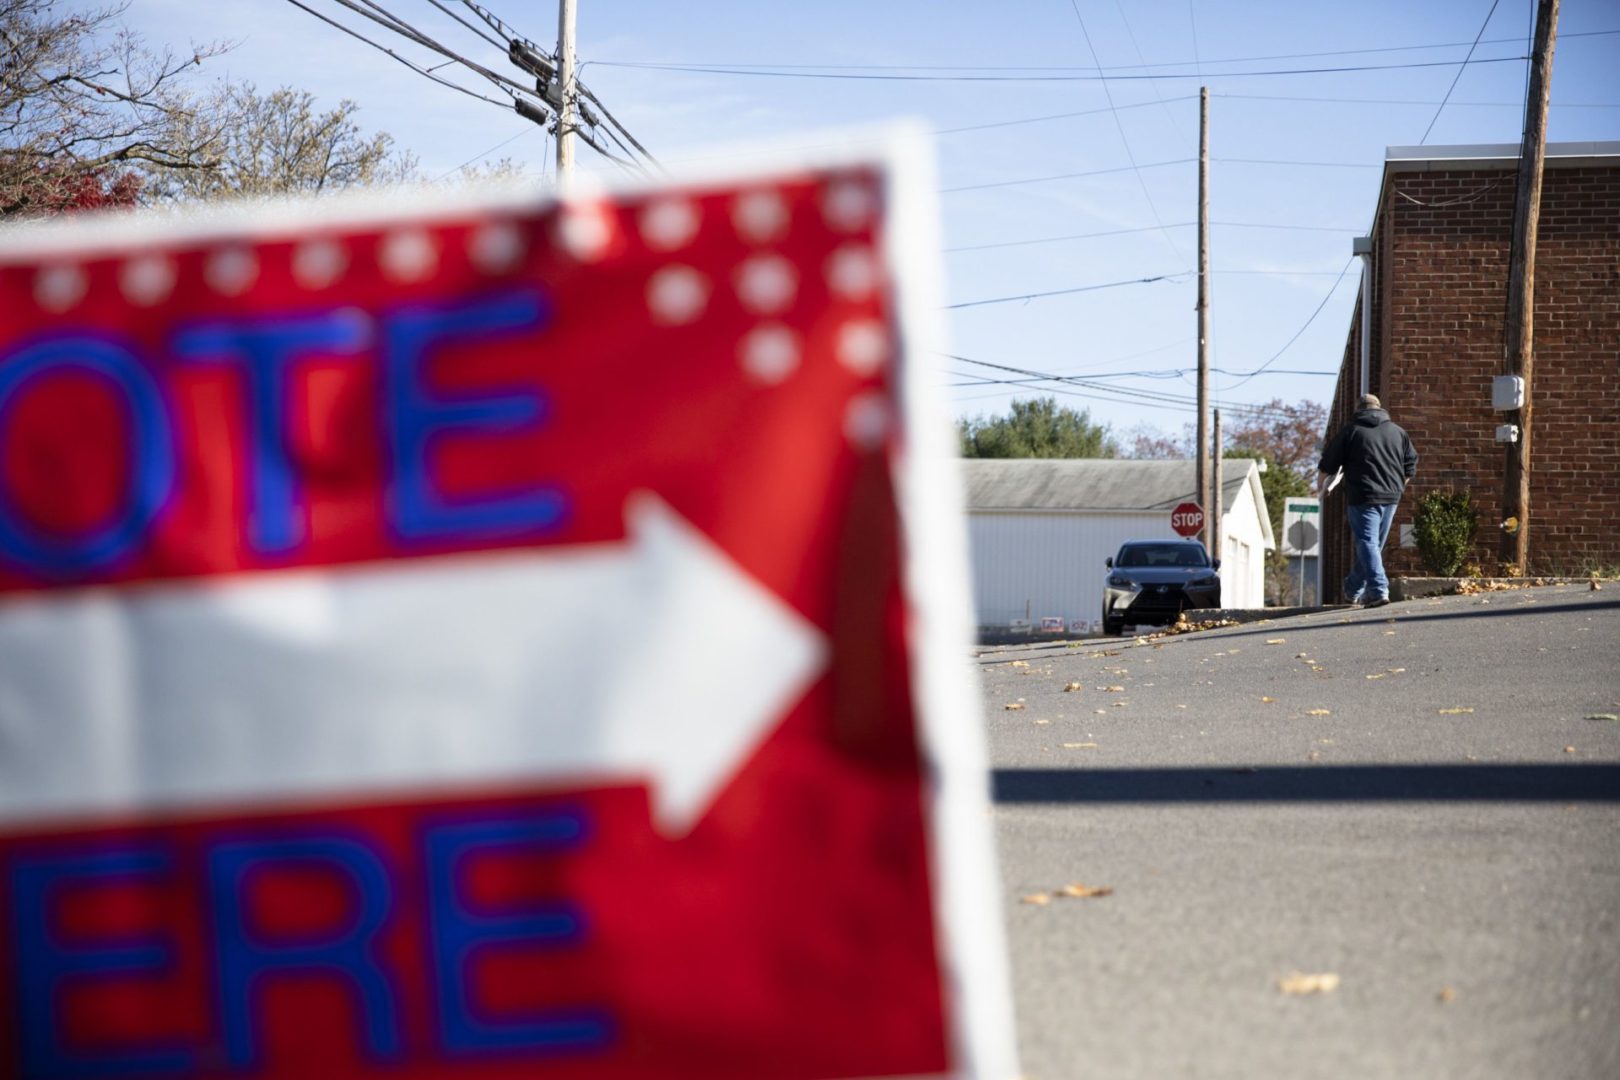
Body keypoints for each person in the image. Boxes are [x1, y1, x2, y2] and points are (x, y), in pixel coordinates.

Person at [1318, 393, 1417, 608]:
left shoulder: (1351, 431)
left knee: (1368, 544)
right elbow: (1410, 466)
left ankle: (1379, 590)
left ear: (1358, 409)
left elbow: (1328, 465)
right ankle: (1352, 589)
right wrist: (1398, 487)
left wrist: (1322, 489)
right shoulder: (1398, 432)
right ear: (1380, 409)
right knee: (1372, 546)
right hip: (1391, 496)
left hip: (1363, 495)